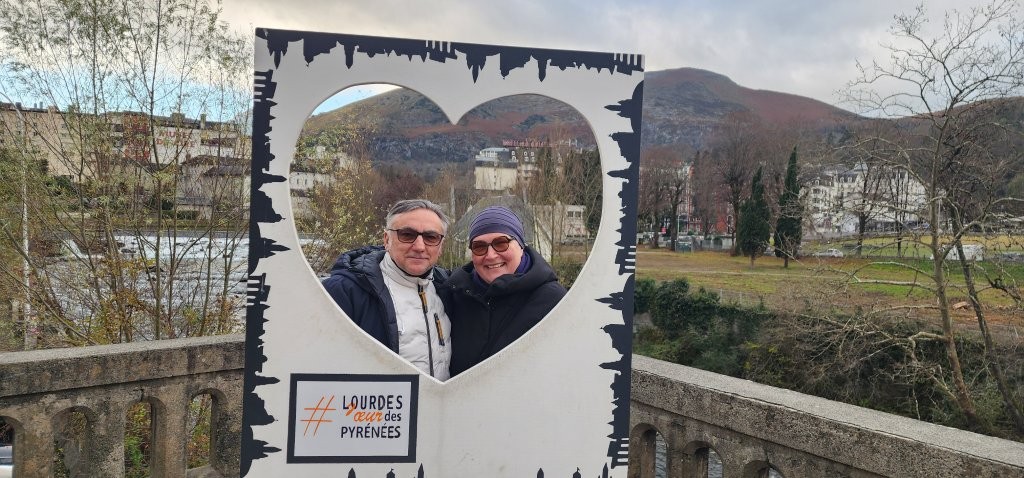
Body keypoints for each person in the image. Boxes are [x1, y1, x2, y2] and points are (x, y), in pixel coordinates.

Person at [321, 199, 452, 381]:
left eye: (431, 237)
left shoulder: (448, 289)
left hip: (441, 399)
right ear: (386, 239)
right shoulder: (344, 292)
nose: (419, 246)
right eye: (407, 234)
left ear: (441, 246)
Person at [442, 206, 567, 376]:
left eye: (501, 243)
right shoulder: (455, 295)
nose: (491, 255)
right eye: (479, 247)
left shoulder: (553, 301)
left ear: (521, 245)